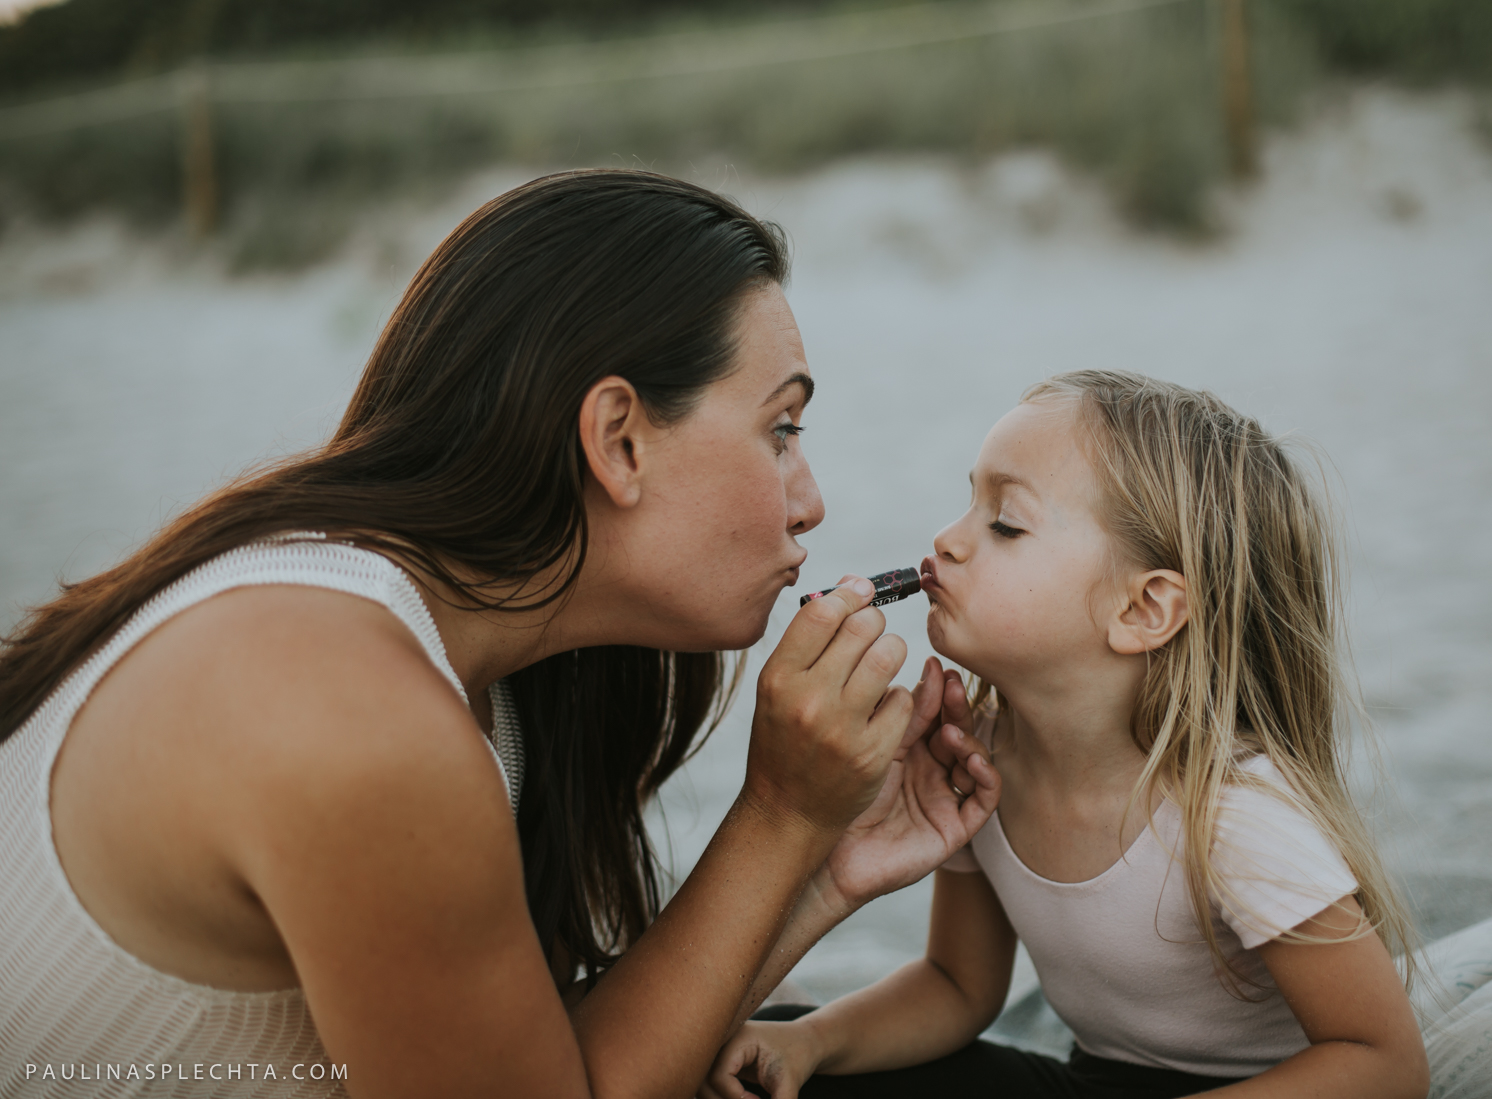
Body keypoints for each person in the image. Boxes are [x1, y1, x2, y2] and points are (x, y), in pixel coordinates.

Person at [0, 170, 999, 1098]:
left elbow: (539, 1054)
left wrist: (818, 858)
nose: (808, 501)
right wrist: (780, 811)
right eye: (780, 429)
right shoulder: (352, 711)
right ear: (617, 439)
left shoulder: (471, 654)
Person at [705, 371, 1431, 1099]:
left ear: (1146, 608)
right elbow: (957, 985)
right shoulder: (978, 765)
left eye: (1005, 523)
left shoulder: (1232, 816)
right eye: (969, 502)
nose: (946, 539)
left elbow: (1382, 1061)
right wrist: (808, 1040)